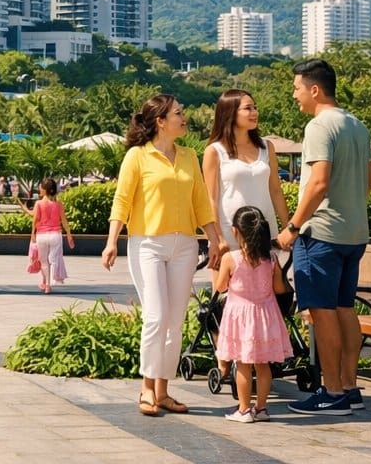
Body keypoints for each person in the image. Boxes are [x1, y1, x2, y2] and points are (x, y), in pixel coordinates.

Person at [101, 94, 224, 417]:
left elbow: (201, 203)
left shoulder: (188, 156)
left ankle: (164, 391)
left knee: (174, 321)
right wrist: (112, 241)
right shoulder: (137, 157)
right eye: (178, 113)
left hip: (184, 245)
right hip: (147, 244)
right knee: (156, 316)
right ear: (160, 121)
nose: (184, 118)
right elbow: (122, 201)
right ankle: (146, 388)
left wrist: (214, 240)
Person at [276, 58, 371, 416]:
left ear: (315, 90)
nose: (295, 96)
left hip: (322, 235)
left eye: (297, 89)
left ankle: (331, 391)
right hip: (354, 233)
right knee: (345, 307)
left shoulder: (319, 126)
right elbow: (369, 183)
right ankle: (349, 386)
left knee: (323, 311)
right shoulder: (357, 125)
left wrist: (292, 227)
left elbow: (318, 182)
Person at [202, 88, 290, 379]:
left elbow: (275, 189)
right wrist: (218, 237)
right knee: (227, 297)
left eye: (255, 108)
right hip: (231, 233)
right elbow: (210, 197)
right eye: (247, 108)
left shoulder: (267, 146)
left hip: (266, 233)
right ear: (230, 113)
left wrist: (290, 225)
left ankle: (262, 355)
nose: (254, 113)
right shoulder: (215, 151)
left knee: (266, 295)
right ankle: (226, 357)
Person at [214, 206, 291, 423]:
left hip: (240, 317)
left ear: (237, 232)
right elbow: (279, 289)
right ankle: (262, 408)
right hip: (266, 316)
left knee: (243, 364)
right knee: (263, 364)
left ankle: (244, 409)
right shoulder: (272, 259)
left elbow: (220, 287)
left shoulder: (231, 258)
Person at [31, 178, 74, 293]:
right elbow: (64, 221)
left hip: (42, 235)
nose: (39, 189)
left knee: (44, 261)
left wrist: (32, 235)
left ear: (45, 190)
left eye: (41, 187)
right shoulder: (59, 204)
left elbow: (35, 220)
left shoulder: (38, 204)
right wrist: (69, 235)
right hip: (56, 235)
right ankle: (48, 283)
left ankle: (47, 285)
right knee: (52, 260)